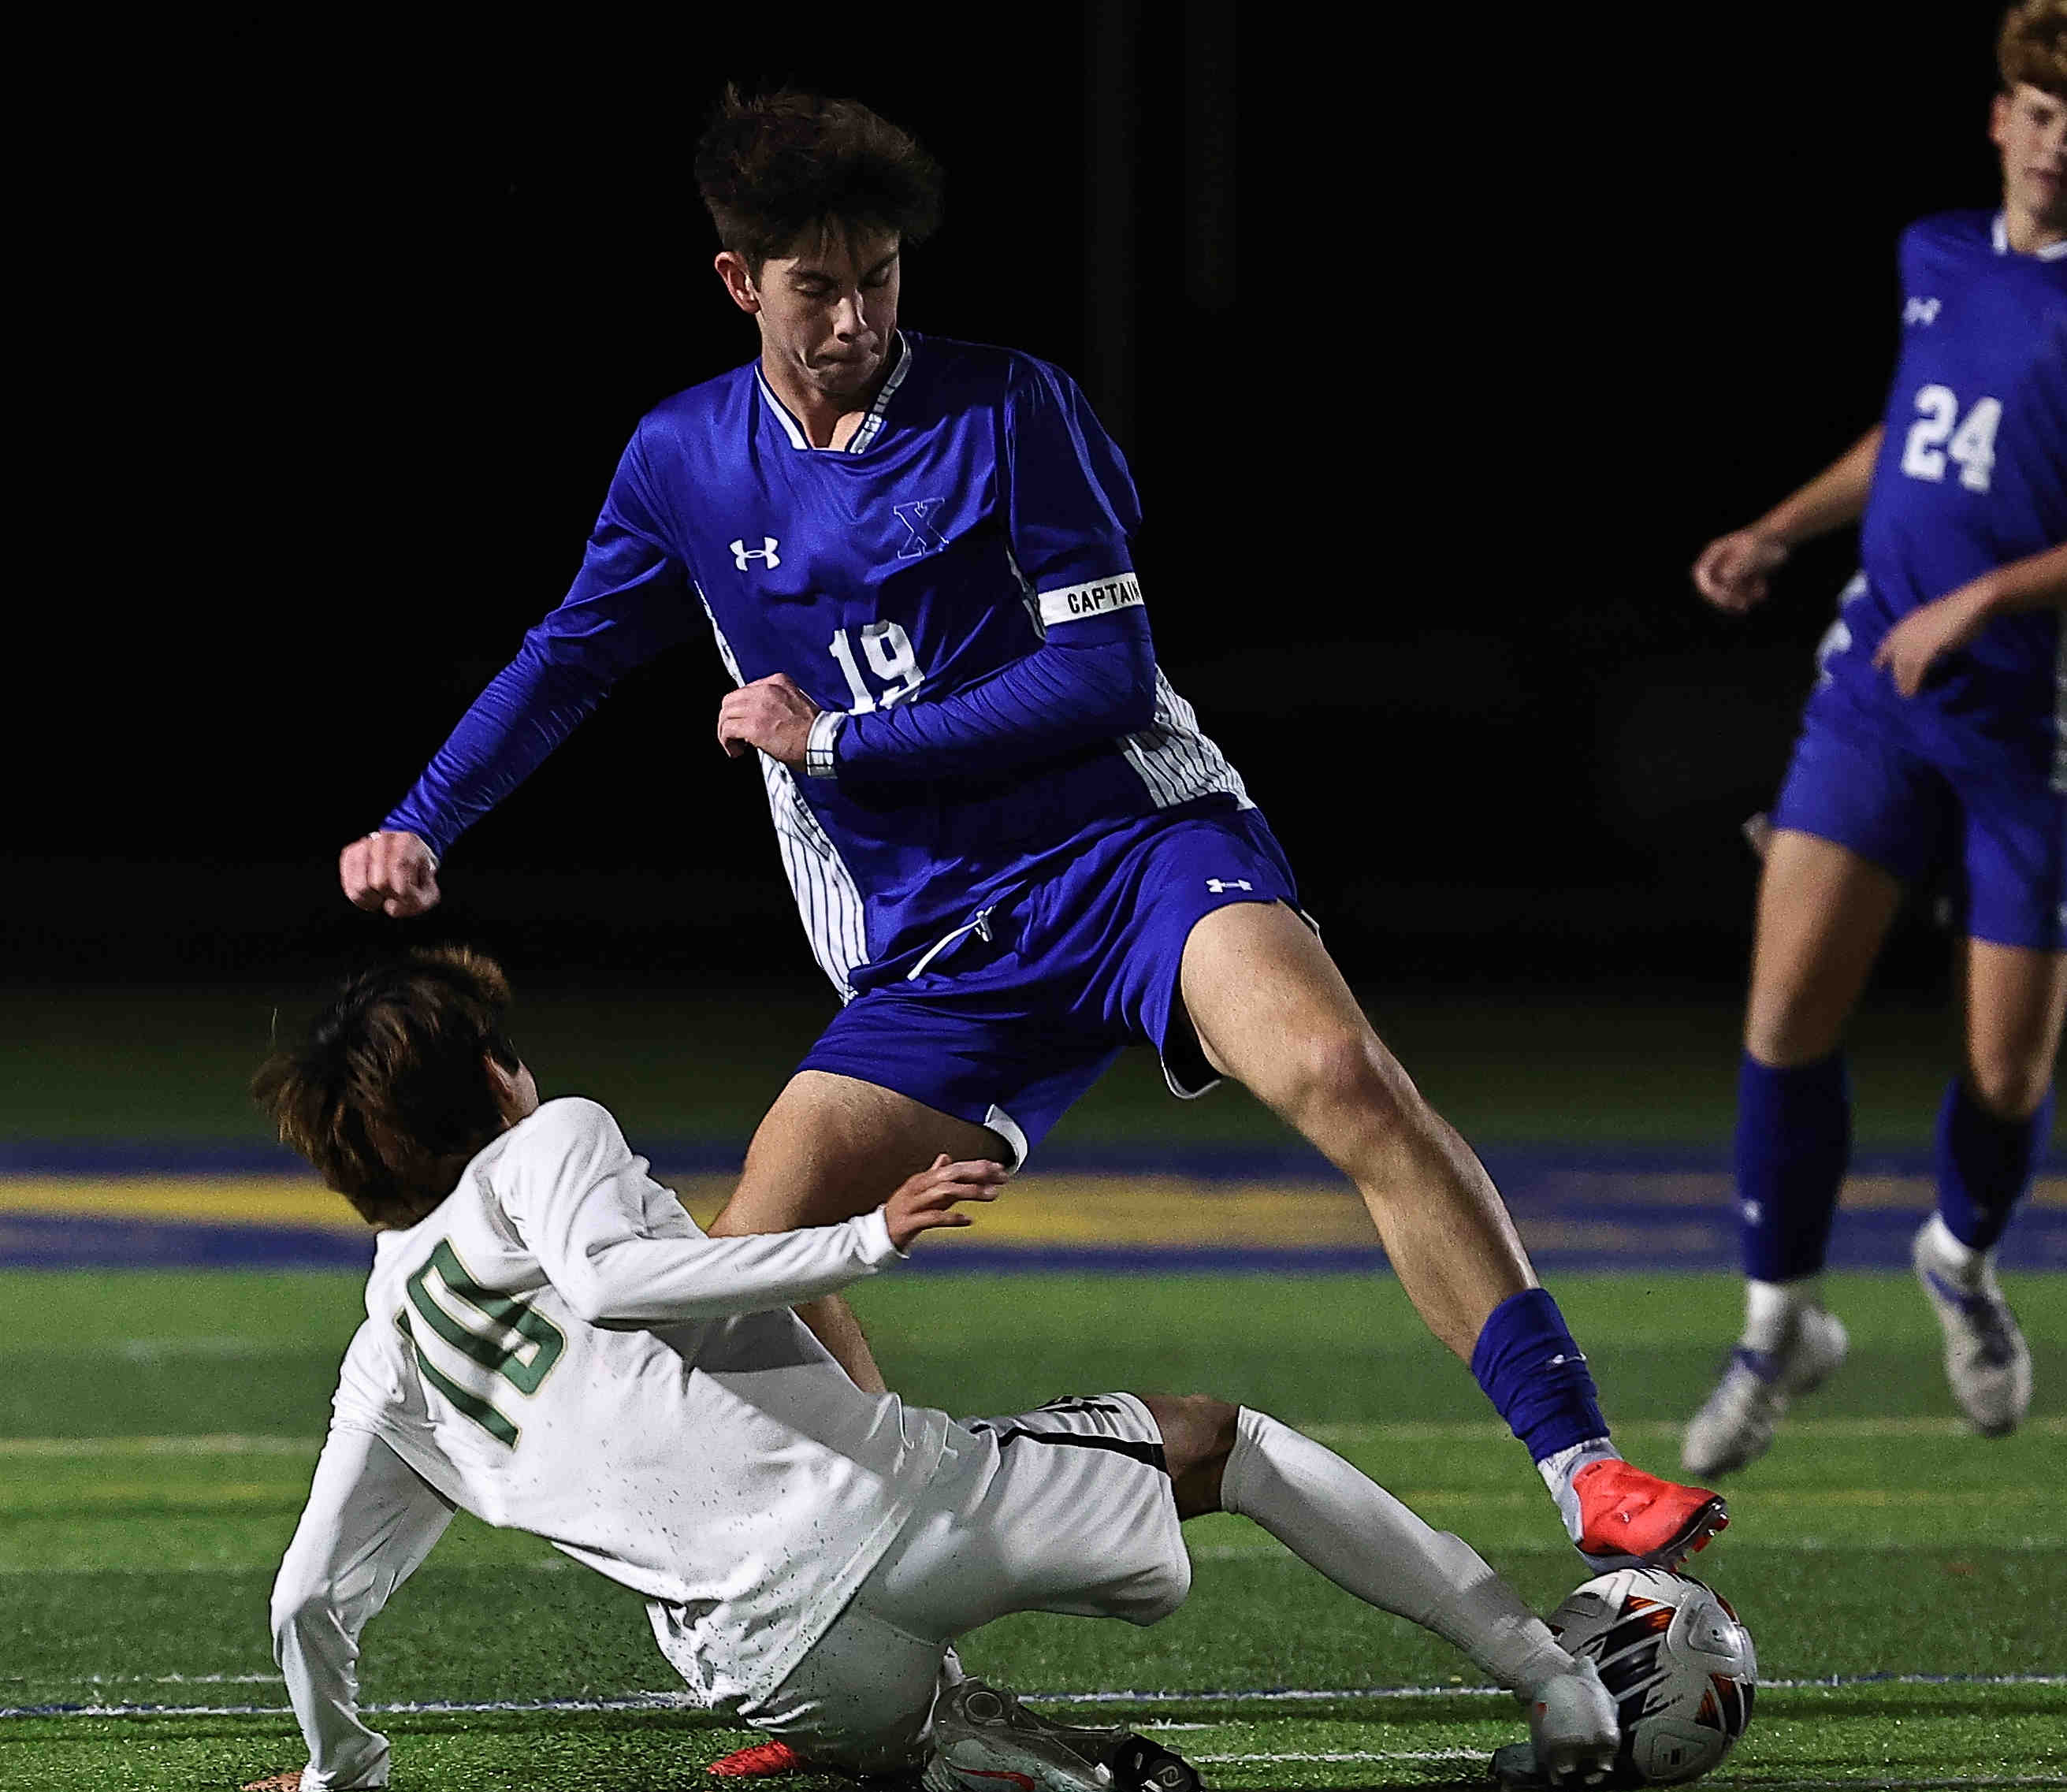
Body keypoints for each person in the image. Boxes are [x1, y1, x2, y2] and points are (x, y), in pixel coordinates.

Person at [335, 86, 1724, 1574]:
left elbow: (1102, 676)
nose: (857, 315)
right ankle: (869, 1572)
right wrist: (424, 816)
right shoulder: (683, 459)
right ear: (740, 283)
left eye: (879, 278)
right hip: (936, 943)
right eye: (818, 288)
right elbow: (569, 656)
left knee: (1338, 1070)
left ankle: (1583, 1465)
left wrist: (842, 738)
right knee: (739, 1270)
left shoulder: (1012, 409)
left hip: (1135, 851)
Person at [238, 948, 1622, 1792]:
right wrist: (864, 1232)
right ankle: (1550, 1678)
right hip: (892, 1522)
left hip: (754, 1661)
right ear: (493, 1072)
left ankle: (957, 1740)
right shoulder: (546, 1142)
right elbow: (606, 1280)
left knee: (900, 1699)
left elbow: (309, 1594)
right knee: (1223, 1441)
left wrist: (340, 1763)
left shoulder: (386, 1349)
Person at [1682, 0, 2065, 1480]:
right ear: (2000, 118)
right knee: (1786, 1015)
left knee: (2010, 1074)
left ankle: (1960, 1265)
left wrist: (1981, 600)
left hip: (2031, 721)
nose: (2054, 147)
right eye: (2038, 116)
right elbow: (1910, 433)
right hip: (1879, 695)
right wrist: (1780, 526)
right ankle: (1779, 1320)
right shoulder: (1937, 257)